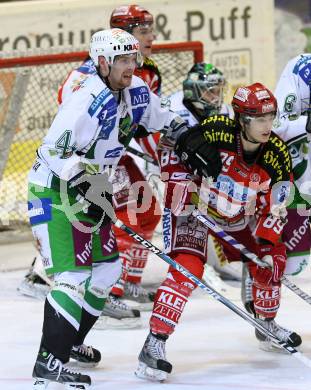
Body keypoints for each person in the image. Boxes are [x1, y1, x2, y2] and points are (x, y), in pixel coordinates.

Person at [30, 28, 188, 389]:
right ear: (102, 62)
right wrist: (85, 182)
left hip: (91, 187)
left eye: (133, 58)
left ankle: (67, 344)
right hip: (54, 189)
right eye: (122, 60)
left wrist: (190, 135)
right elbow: (52, 152)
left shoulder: (135, 92)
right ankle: (47, 364)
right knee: (72, 278)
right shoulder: (86, 99)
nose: (130, 66)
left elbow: (164, 119)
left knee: (105, 272)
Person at [135, 83, 302, 382]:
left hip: (238, 211)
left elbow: (278, 202)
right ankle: (154, 343)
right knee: (187, 270)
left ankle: (267, 325)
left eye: (270, 117)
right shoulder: (215, 131)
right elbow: (171, 148)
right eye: (258, 119)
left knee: (271, 258)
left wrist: (266, 242)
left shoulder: (276, 153)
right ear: (241, 119)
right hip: (195, 209)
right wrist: (180, 189)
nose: (267, 126)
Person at [19, 4, 162, 329]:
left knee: (141, 213)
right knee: (129, 213)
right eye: (142, 32)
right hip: (79, 168)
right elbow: (67, 135)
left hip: (107, 163)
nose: (149, 38)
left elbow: (150, 117)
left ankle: (117, 282)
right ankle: (53, 274)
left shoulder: (144, 71)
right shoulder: (85, 80)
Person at [242, 54, 311, 312]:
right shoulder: (299, 73)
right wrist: (306, 123)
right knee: (286, 259)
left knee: (296, 262)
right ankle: (261, 299)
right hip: (288, 175)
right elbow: (274, 131)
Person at [169, 62, 242, 286]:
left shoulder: (224, 111)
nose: (216, 96)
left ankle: (215, 260)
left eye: (218, 90)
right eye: (210, 90)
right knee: (178, 211)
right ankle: (186, 261)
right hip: (168, 169)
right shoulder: (173, 108)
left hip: (202, 171)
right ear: (194, 91)